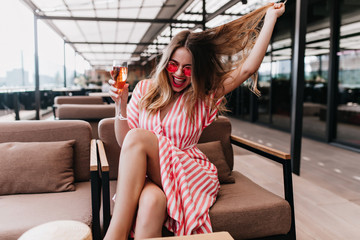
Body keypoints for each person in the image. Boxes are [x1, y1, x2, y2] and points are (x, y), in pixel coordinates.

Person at [105, 2, 285, 240]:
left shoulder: (204, 95)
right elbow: (124, 142)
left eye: (188, 69)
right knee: (151, 201)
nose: (179, 73)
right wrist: (121, 104)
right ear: (165, 63)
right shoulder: (145, 89)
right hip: (150, 176)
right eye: (174, 65)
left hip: (189, 173)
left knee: (139, 137)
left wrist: (271, 18)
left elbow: (246, 69)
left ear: (197, 71)